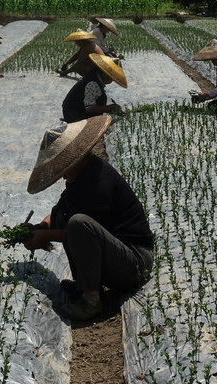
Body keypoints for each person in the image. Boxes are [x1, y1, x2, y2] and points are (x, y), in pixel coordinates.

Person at [23, 115, 155, 321]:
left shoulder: (98, 181)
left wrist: (45, 236)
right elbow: (59, 211)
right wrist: (40, 227)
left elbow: (85, 232)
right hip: (116, 254)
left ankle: (91, 300)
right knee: (63, 218)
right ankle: (85, 286)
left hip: (135, 261)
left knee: (77, 224)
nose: (61, 175)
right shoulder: (81, 176)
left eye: (62, 168)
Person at [61, 53, 126, 123]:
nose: (111, 79)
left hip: (74, 112)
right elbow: (90, 108)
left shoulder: (95, 78)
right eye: (110, 76)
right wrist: (110, 108)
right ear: (102, 71)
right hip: (74, 116)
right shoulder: (92, 84)